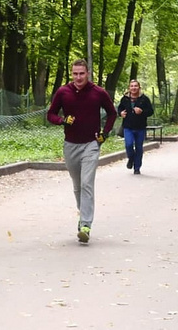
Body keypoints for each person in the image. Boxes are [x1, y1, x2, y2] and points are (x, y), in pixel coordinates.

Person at [47, 59, 117, 243]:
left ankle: (86, 224)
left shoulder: (98, 92)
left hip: (91, 144)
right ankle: (82, 216)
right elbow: (50, 114)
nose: (78, 77)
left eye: (82, 73)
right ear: (72, 74)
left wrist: (105, 133)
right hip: (70, 145)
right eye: (75, 73)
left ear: (88, 73)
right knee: (77, 185)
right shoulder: (63, 92)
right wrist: (62, 120)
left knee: (87, 183)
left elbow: (112, 113)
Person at [117, 79, 154, 175]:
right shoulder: (125, 99)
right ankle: (131, 158)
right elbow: (119, 108)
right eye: (132, 86)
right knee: (128, 145)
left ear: (139, 87)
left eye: (135, 86)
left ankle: (137, 168)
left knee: (139, 147)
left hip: (140, 127)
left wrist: (142, 112)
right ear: (129, 88)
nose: (134, 88)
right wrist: (121, 113)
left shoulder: (144, 99)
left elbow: (150, 111)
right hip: (128, 127)